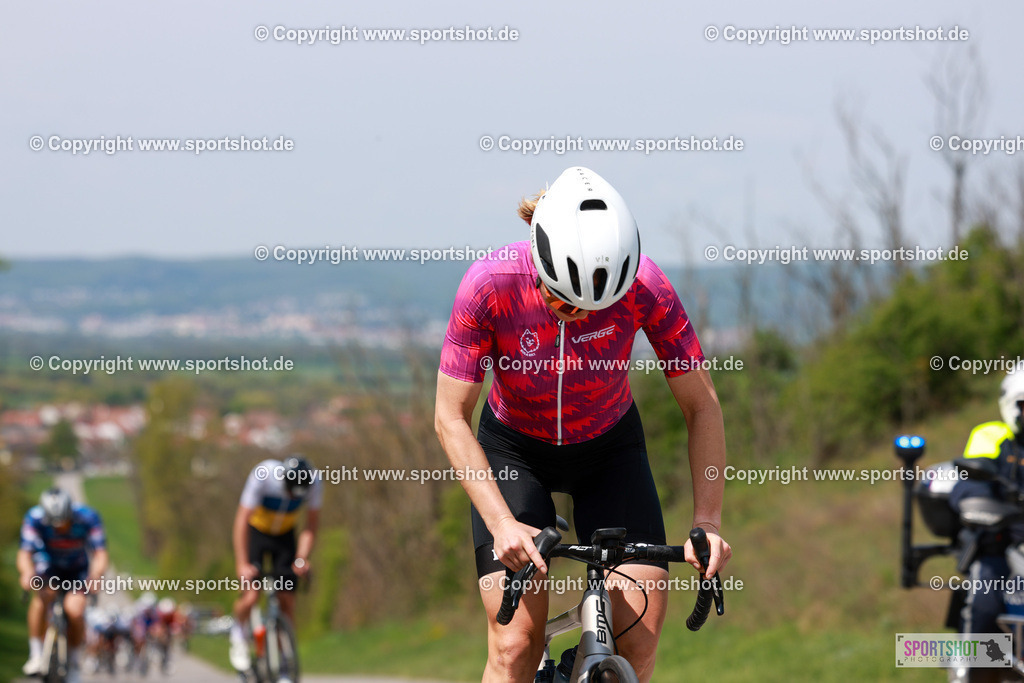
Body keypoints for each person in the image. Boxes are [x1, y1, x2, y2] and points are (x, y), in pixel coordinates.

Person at [434, 166, 732, 682]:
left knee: (639, 640)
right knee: (514, 644)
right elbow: (449, 416)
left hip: (608, 451)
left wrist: (707, 523)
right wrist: (502, 523)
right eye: (559, 299)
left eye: (591, 305)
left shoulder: (646, 287)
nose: (572, 314)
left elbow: (702, 405)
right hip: (514, 451)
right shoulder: (490, 285)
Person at [948, 366, 1024, 682]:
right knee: (984, 601)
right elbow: (966, 484)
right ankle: (971, 673)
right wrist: (985, 507)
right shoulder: (992, 437)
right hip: (1003, 543)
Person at [229, 455, 321, 671]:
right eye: (289, 492)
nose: (292, 497)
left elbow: (311, 524)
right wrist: (242, 564)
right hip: (257, 532)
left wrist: (302, 558)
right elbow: (242, 520)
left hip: (285, 536)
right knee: (251, 595)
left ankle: (284, 659)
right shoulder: (264, 475)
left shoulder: (315, 481)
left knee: (287, 598)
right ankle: (238, 633)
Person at [17, 487, 109, 683]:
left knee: (75, 610)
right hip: (48, 565)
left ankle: (75, 663)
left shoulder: (88, 517)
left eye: (64, 522)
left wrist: (97, 575)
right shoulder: (34, 517)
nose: (60, 528)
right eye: (54, 524)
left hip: (77, 568)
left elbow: (100, 552)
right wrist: (26, 573)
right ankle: (35, 654)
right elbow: (25, 552)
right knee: (42, 597)